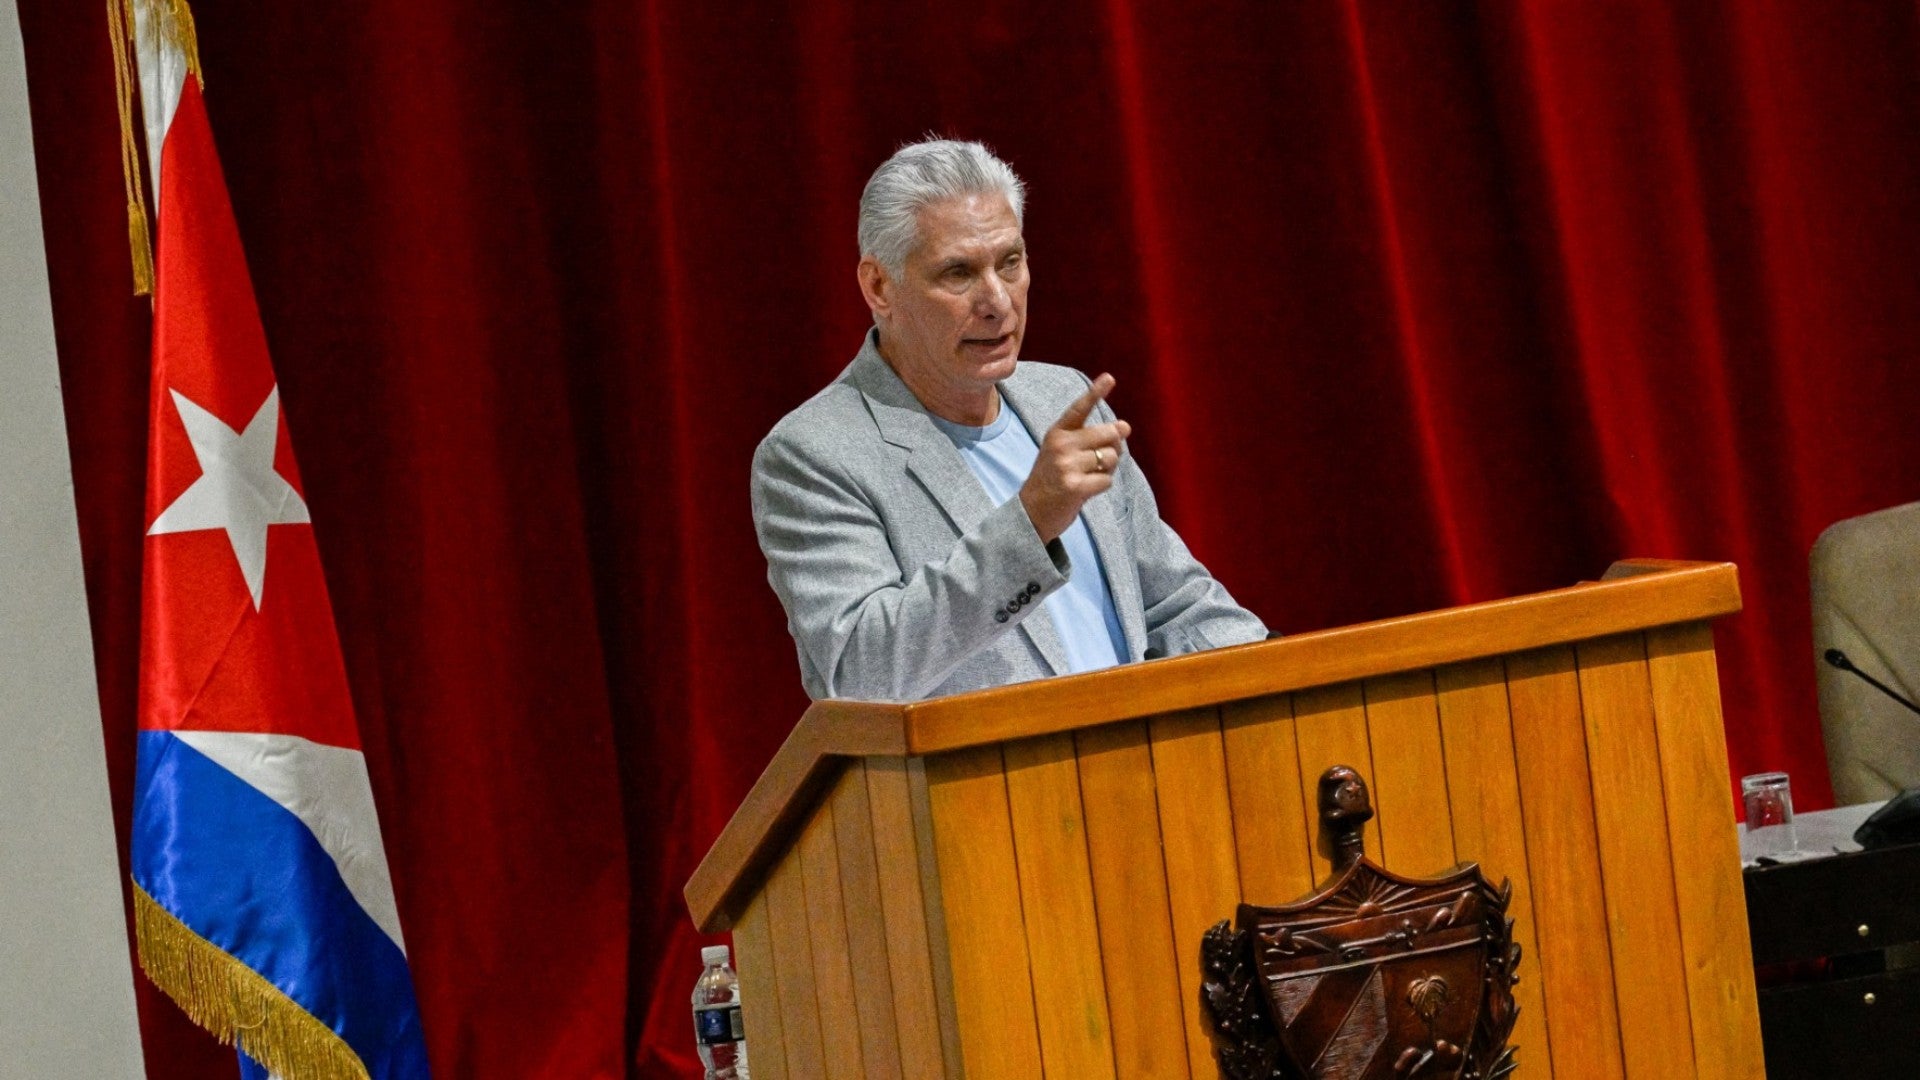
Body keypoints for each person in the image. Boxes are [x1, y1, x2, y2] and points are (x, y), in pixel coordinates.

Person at [751, 138, 1265, 701]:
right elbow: (861, 672)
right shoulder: (815, 453)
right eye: (958, 272)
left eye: (1010, 262)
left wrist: (1283, 677)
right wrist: (1031, 522)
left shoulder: (1062, 397)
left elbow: (1175, 605)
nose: (997, 301)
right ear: (879, 287)